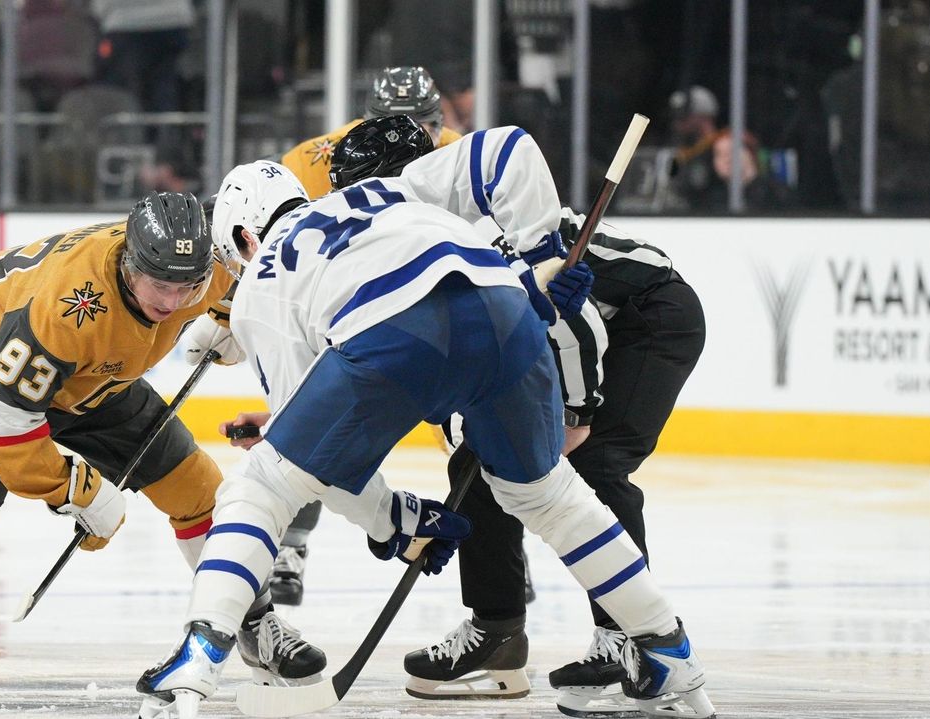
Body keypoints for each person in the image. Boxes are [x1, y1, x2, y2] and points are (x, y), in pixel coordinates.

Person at [136, 120, 715, 719]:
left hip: (399, 328)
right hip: (504, 307)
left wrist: (395, 520)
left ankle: (198, 657)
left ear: (242, 236)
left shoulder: (263, 278)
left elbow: (319, 472)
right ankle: (667, 647)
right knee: (550, 496)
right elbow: (510, 146)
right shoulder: (389, 191)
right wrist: (540, 258)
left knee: (260, 488)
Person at [0, 191, 325, 712]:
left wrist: (226, 313)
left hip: (98, 380)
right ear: (129, 261)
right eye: (161, 286)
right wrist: (74, 489)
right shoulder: (68, 304)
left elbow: (240, 276)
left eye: (187, 287)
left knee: (201, 490)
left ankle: (253, 624)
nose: (171, 302)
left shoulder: (202, 262)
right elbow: (0, 419)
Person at [403, 207, 707, 714]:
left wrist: (577, 414)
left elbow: (574, 323)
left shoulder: (465, 236)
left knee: (597, 463)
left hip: (649, 315)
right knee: (477, 464)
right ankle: (496, 634)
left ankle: (631, 641)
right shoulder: (404, 244)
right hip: (583, 325)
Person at [271, 66, 537, 609]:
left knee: (470, 435)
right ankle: (289, 548)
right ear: (370, 121)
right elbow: (276, 250)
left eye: (425, 123)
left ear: (440, 121)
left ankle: (502, 552)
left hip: (431, 310)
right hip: (339, 312)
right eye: (400, 123)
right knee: (302, 425)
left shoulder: (457, 153)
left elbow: (490, 237)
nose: (416, 136)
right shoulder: (313, 161)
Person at [280, 65, 463, 201]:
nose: (401, 144)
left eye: (416, 130)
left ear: (439, 126)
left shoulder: (456, 150)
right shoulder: (317, 157)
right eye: (390, 132)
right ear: (366, 124)